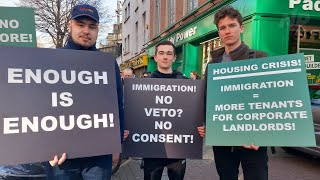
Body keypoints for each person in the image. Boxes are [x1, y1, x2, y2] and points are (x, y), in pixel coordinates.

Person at [45, 4, 124, 180]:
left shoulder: (108, 63)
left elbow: (118, 106)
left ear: (97, 30)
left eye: (92, 26)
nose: (86, 30)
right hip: (61, 157)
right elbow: (39, 107)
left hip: (99, 156)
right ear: (69, 25)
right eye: (81, 24)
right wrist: (45, 145)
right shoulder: (51, 61)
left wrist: (116, 145)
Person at [201, 6, 269, 180]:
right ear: (219, 32)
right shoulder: (213, 65)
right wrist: (204, 123)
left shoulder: (260, 58)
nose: (227, 31)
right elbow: (207, 99)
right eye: (222, 28)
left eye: (232, 25)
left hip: (253, 141)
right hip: (222, 141)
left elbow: (270, 99)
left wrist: (264, 135)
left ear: (241, 27)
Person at [141, 40, 204, 180]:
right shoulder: (144, 85)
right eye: (161, 53)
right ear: (155, 57)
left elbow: (193, 112)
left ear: (174, 58)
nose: (165, 57)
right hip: (151, 148)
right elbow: (138, 115)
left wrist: (200, 126)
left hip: (178, 148)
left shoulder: (187, 83)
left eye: (169, 53)